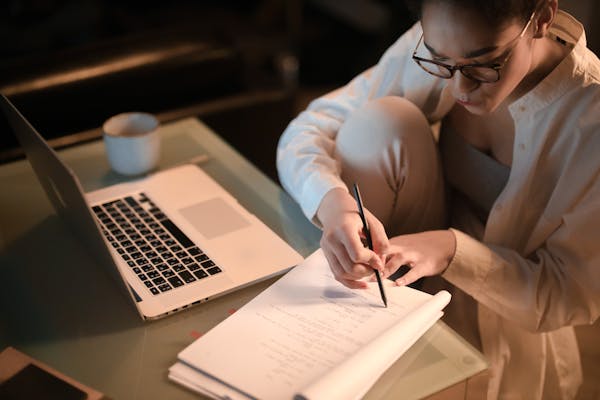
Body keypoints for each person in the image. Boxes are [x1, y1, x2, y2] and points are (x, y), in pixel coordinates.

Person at [276, 0, 600, 398]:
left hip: (503, 307)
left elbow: (568, 294)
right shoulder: (444, 40)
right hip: (403, 262)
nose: (460, 87)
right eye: (440, 61)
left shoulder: (591, 119)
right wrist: (334, 204)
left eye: (485, 64)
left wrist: (452, 250)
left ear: (543, 18)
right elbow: (308, 129)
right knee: (383, 122)